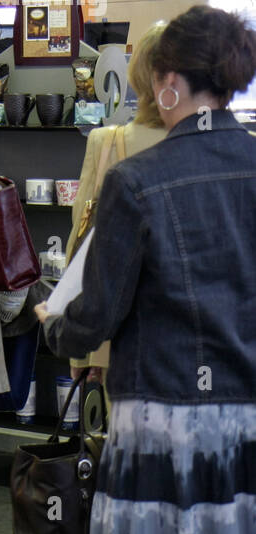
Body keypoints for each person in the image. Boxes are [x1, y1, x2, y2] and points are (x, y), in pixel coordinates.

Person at [37, 5, 256, 534]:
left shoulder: (135, 182)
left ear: (169, 80)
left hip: (162, 418)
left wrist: (56, 327)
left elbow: (99, 312)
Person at [63, 22, 168, 383]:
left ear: (136, 75)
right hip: (203, 339)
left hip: (119, 336)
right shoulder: (221, 149)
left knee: (121, 436)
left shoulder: (107, 142)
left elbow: (81, 243)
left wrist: (80, 345)